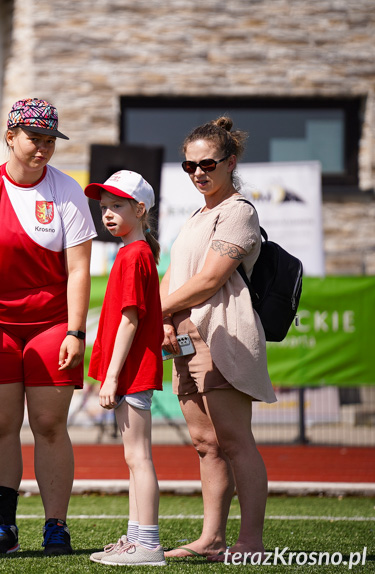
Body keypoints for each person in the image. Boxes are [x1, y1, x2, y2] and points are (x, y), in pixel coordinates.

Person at [0, 98, 95, 556]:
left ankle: (56, 526)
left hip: (52, 323)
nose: (44, 148)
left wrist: (76, 331)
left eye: (50, 140)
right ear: (10, 137)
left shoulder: (68, 191)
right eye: (35, 138)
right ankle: (2, 527)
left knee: (50, 424)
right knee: (0, 425)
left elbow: (78, 270)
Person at [160, 117, 276, 561]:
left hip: (222, 336)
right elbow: (173, 275)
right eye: (189, 166)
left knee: (234, 441)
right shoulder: (198, 214)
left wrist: (162, 310)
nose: (198, 173)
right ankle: (211, 539)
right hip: (187, 339)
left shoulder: (239, 210)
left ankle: (250, 543)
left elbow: (209, 280)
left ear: (230, 162)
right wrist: (165, 320)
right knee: (206, 444)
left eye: (207, 164)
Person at [83, 171, 165, 566]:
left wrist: (112, 375)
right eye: (104, 208)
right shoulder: (132, 253)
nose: (108, 214)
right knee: (134, 457)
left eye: (117, 206)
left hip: (131, 372)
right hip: (129, 371)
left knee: (139, 457)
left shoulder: (134, 255)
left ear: (140, 209)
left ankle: (147, 543)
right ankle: (136, 539)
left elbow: (129, 320)